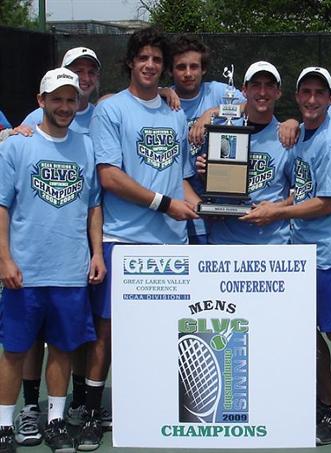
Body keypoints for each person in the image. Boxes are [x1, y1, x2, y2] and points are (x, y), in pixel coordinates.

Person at [78, 27, 200, 451]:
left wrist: (206, 207)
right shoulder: (110, 112)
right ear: (130, 62)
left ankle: (150, 407)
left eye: (156, 60)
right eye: (142, 58)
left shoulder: (174, 112)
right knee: (106, 332)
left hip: (171, 245)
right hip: (124, 241)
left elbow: (182, 178)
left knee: (165, 333)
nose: (149, 65)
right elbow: (109, 176)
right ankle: (92, 410)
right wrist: (165, 205)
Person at [242, 67, 331, 446]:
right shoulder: (304, 138)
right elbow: (302, 190)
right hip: (303, 254)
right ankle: (324, 402)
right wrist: (279, 203)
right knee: (310, 337)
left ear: (329, 99)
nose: (310, 100)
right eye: (305, 93)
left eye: (318, 93)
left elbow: (327, 203)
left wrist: (276, 213)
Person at [0, 67, 105, 453]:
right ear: (40, 101)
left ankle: (57, 421)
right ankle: (3, 425)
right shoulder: (16, 145)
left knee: (62, 347)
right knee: (14, 349)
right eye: (56, 99)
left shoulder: (87, 146)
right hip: (25, 271)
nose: (64, 106)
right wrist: (4, 259)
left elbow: (94, 205)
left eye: (71, 99)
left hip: (71, 270)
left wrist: (96, 253)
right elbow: (2, 207)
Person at [169, 34, 245, 244]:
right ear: (171, 70)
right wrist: (161, 90)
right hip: (180, 210)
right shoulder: (164, 99)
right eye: (181, 67)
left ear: (203, 69)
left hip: (222, 206)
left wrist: (212, 112)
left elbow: (253, 106)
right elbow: (111, 99)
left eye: (194, 66)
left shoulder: (218, 91)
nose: (188, 73)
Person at [209, 61, 293, 245]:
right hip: (224, 242)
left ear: (278, 92)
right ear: (244, 90)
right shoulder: (223, 133)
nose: (262, 92)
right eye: (255, 85)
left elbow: (303, 192)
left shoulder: (288, 137)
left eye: (269, 86)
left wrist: (277, 209)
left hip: (272, 245)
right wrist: (206, 174)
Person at [21, 47, 101, 135]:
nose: (86, 78)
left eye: (91, 72)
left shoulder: (101, 117)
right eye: (79, 71)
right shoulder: (37, 117)